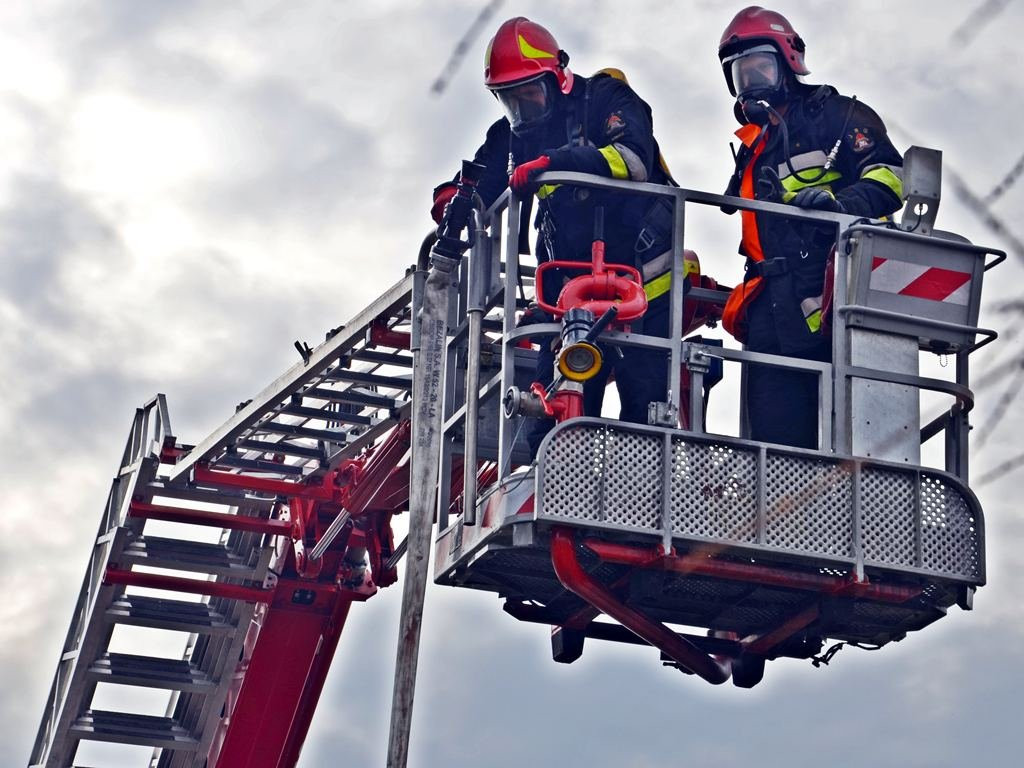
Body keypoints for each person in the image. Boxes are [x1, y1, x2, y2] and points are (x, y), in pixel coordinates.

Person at [432, 17, 677, 455]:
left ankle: (633, 505)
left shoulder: (605, 99)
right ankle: (560, 500)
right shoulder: (516, 132)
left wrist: (555, 161)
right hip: (570, 297)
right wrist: (456, 199)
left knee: (644, 418)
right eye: (510, 100)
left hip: (642, 286)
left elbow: (633, 160)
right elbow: (484, 178)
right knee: (552, 420)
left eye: (529, 95)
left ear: (557, 76)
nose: (522, 110)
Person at [717, 6, 904, 449]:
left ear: (788, 62)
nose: (752, 81)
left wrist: (838, 206)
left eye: (761, 66)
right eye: (741, 74)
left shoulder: (838, 116)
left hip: (831, 290)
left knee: (852, 432)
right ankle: (782, 514)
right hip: (769, 303)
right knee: (774, 442)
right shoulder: (755, 144)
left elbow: (891, 177)